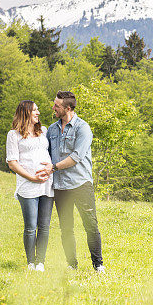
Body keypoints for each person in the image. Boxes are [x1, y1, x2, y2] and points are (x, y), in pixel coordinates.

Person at [46, 90, 104, 272]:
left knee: (90, 225)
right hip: (61, 186)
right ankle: (72, 265)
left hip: (80, 185)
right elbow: (45, 153)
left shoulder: (83, 128)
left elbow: (76, 157)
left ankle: (98, 265)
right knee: (66, 228)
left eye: (57, 105)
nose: (53, 108)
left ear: (68, 108)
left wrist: (54, 167)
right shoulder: (52, 130)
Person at [6, 100, 53, 272]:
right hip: (28, 185)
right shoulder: (14, 135)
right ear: (25, 113)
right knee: (30, 227)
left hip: (47, 184)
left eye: (37, 110)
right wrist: (32, 177)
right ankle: (30, 263)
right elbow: (12, 163)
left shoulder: (44, 131)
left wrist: (49, 170)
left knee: (45, 226)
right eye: (34, 110)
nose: (38, 113)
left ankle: (40, 262)